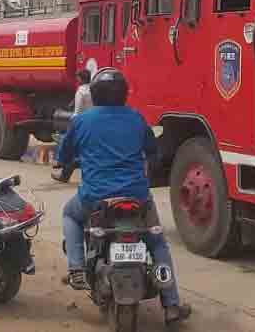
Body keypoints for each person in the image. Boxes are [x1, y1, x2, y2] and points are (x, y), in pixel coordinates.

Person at [55, 68, 191, 325]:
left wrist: (65, 161)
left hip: (94, 199)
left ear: (94, 94)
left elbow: (63, 155)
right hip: (137, 199)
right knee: (157, 244)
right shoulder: (136, 119)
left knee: (70, 215)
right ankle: (171, 305)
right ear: (124, 94)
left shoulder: (81, 121)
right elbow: (153, 152)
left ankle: (76, 268)